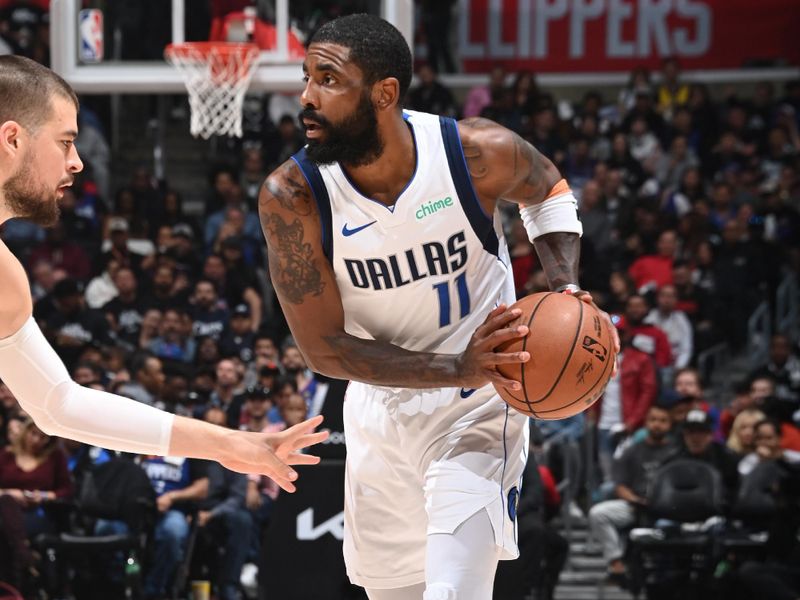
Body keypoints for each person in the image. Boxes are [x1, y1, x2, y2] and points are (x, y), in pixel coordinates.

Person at [256, 15, 618, 600]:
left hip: (480, 403)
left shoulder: (473, 152)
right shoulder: (292, 196)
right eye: (307, 78)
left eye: (328, 79)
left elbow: (548, 189)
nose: (306, 97)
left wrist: (565, 287)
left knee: (453, 593)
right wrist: (453, 367)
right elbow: (323, 351)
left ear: (384, 93)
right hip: (380, 407)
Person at [0, 55, 327, 499]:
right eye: (65, 142)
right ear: (13, 139)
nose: (77, 162)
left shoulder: (7, 281)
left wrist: (227, 442)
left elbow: (59, 405)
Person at [588, 404, 675, 584]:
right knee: (598, 513)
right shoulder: (632, 451)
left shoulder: (677, 451)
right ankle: (616, 561)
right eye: (653, 420)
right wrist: (637, 501)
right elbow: (619, 486)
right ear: (645, 422)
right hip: (636, 505)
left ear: (670, 424)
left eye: (663, 420)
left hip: (670, 509)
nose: (657, 424)